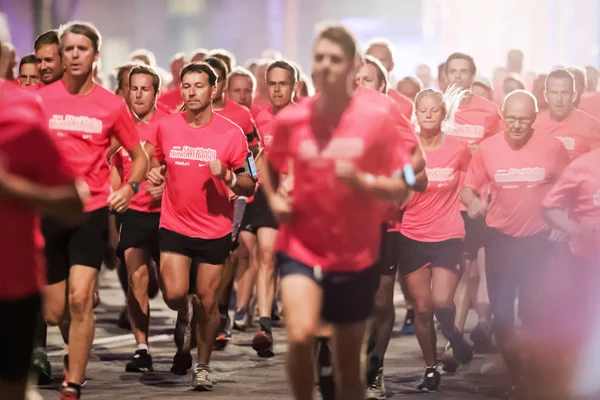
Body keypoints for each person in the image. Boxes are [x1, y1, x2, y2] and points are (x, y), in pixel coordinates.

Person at [261, 24, 411, 400]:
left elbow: (406, 177)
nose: (326, 66)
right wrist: (276, 198)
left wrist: (366, 183)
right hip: (300, 244)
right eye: (320, 58)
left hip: (353, 253)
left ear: (353, 65)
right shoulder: (294, 118)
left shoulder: (376, 118)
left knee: (346, 364)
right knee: (298, 335)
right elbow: (266, 161)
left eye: (336, 59)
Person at [37, 21, 148, 399]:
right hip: (49, 212)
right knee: (54, 312)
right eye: (68, 49)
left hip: (92, 211)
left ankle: (74, 382)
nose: (74, 55)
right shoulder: (42, 100)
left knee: (81, 299)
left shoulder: (111, 105)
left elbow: (139, 157)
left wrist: (129, 187)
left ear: (95, 56)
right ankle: (76, 340)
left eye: (82, 49)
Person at [146, 61, 256, 390]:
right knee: (175, 293)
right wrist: (156, 173)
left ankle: (203, 366)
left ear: (214, 90)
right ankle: (185, 311)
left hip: (214, 228)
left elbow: (250, 184)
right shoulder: (167, 125)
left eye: (199, 86)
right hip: (175, 224)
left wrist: (228, 177)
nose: (191, 92)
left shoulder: (232, 133)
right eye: (187, 86)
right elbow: (157, 159)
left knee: (209, 301)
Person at [461, 90, 570, 397]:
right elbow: (468, 189)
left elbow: (569, 187)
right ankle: (517, 372)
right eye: (510, 118)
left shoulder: (552, 147)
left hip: (539, 242)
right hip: (500, 240)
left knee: (534, 311)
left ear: (534, 119)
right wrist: (472, 204)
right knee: (503, 313)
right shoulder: (487, 148)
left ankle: (537, 370)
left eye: (523, 119)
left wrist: (563, 220)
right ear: (503, 117)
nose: (516, 125)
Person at [0, 77, 86, 400]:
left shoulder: (21, 117)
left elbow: (75, 202)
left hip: (11, 285)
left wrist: (10, 188)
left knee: (13, 391)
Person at [355, 55, 427, 400]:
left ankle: (374, 370)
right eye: (355, 79)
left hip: (385, 223)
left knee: (381, 301)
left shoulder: (389, 114)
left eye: (367, 80)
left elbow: (418, 163)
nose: (359, 85)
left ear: (382, 87)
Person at [399, 87, 473, 392]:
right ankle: (431, 368)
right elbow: (399, 194)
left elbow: (471, 183)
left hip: (448, 233)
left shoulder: (458, 148)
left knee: (442, 302)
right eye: (423, 110)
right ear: (415, 115)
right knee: (423, 307)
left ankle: (453, 335)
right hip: (412, 234)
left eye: (434, 110)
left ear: (444, 114)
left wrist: (475, 204)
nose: (428, 115)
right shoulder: (405, 151)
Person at [441, 52, 502, 370]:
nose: (458, 77)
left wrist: (484, 153)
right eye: (453, 71)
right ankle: (447, 329)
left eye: (464, 72)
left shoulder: (489, 111)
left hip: (473, 201)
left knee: (469, 271)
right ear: (445, 75)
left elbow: (501, 152)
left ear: (473, 75)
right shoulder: (435, 108)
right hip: (440, 201)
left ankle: (452, 342)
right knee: (444, 275)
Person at [111, 65, 167, 373]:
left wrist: (166, 179)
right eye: (134, 88)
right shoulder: (119, 126)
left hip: (169, 216)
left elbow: (181, 164)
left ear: (156, 93)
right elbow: (108, 162)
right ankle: (141, 348)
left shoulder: (169, 124)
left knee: (174, 292)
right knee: (137, 278)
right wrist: (115, 193)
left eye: (145, 89)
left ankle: (183, 316)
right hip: (134, 212)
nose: (139, 94)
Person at [241, 60, 298, 357]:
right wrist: (254, 172)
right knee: (264, 253)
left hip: (300, 199)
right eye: (272, 83)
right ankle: (264, 325)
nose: (277, 89)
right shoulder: (258, 118)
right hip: (267, 194)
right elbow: (249, 153)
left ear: (294, 87)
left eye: (283, 83)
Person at [533, 69, 600, 160]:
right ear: (546, 96)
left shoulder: (591, 125)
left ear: (573, 96)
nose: (559, 99)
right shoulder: (535, 125)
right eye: (554, 93)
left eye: (564, 93)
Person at [366, 38, 413, 119]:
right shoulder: (348, 101)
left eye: (382, 61)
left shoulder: (405, 105)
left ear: (392, 65)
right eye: (372, 60)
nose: (377, 65)